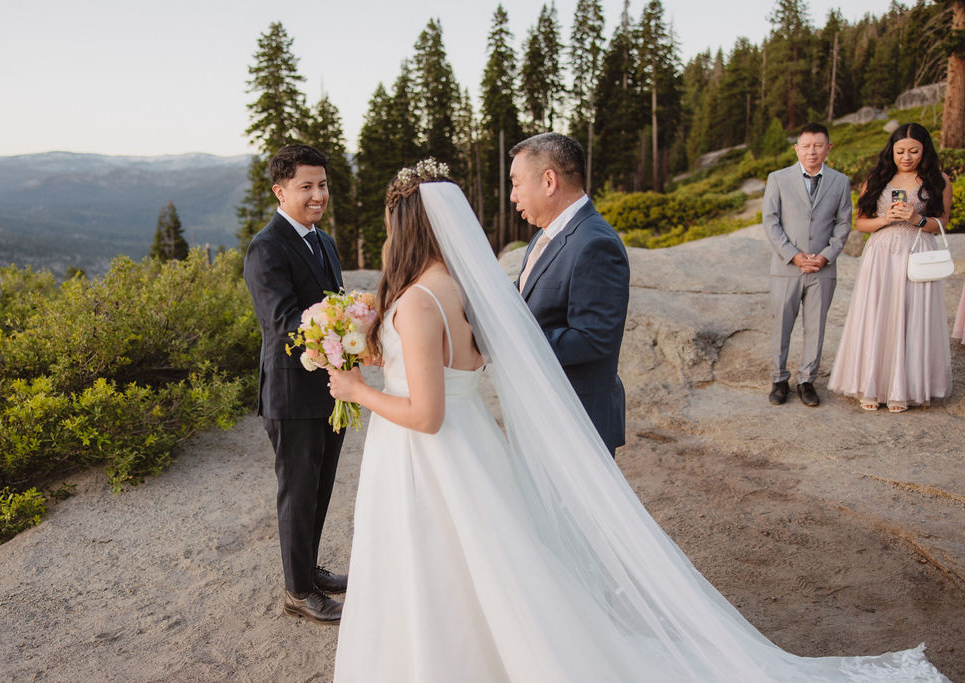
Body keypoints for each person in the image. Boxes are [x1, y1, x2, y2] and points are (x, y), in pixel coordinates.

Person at [327, 161, 947, 681]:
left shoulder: (414, 299)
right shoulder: (453, 287)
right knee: (494, 561)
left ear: (399, 225)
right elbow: (466, 360)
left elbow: (426, 413)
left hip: (431, 451)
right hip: (474, 448)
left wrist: (356, 386)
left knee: (438, 564)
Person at [242, 145, 347, 624]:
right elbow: (284, 323)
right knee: (298, 492)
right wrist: (343, 327)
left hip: (329, 389)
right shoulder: (267, 247)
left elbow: (334, 300)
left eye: (322, 184)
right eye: (306, 186)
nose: (317, 195)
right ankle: (297, 592)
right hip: (291, 394)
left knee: (321, 489)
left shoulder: (322, 242)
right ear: (279, 190)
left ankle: (307, 569)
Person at [509, 132, 629, 453]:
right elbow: (523, 297)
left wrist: (510, 341)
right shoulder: (545, 235)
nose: (512, 196)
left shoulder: (595, 243)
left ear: (549, 181)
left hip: (578, 422)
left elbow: (593, 339)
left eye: (517, 183)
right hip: (546, 414)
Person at [828, 123, 952, 411]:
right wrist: (885, 219)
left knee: (913, 316)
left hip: (917, 250)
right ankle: (872, 386)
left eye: (913, 151)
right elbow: (861, 223)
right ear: (891, 151)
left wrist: (915, 218)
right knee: (878, 314)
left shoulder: (940, 180)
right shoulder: (877, 178)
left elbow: (942, 223)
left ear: (925, 150)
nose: (906, 157)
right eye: (900, 151)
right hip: (881, 255)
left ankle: (904, 388)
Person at [764, 122, 853, 408]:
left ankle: (807, 381)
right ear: (797, 149)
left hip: (823, 268)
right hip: (787, 267)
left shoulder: (840, 182)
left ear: (828, 148)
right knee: (782, 326)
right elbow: (771, 221)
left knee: (816, 326)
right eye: (806, 146)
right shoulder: (777, 178)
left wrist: (826, 255)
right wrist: (794, 255)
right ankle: (779, 380)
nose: (812, 151)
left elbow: (843, 224)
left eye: (818, 146)